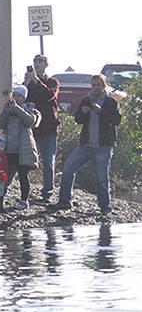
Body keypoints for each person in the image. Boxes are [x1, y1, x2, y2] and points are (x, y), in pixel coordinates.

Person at [53, 73, 122, 215]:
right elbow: (78, 119)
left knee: (102, 178)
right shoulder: (86, 100)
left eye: (98, 85)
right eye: (93, 85)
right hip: (85, 145)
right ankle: (64, 200)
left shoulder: (111, 102)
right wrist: (83, 113)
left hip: (103, 146)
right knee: (68, 168)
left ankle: (105, 208)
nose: (95, 87)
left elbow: (116, 120)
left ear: (103, 86)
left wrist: (101, 112)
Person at [0, 84, 41, 210]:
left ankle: (24, 200)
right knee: (5, 175)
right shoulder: (9, 111)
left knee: (23, 176)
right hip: (9, 149)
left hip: (23, 150)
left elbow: (30, 122)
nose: (16, 98)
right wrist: (5, 111)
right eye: (14, 95)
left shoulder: (30, 109)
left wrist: (17, 109)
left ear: (24, 97)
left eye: (19, 96)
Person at [23, 53, 60, 200]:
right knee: (24, 158)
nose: (38, 64)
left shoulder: (53, 81)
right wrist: (26, 83)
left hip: (49, 127)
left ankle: (48, 192)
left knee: (48, 161)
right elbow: (20, 97)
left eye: (41, 61)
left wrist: (37, 81)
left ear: (46, 64)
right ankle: (23, 190)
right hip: (31, 126)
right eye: (36, 61)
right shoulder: (29, 83)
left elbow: (49, 95)